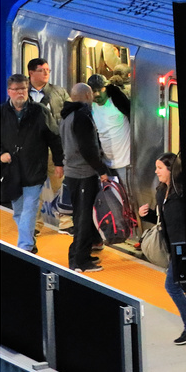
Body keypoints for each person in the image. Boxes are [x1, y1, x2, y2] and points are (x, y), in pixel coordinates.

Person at [1, 73, 62, 253]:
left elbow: (54, 138)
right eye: (16, 90)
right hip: (11, 172)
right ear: (9, 92)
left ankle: (25, 247)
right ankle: (30, 241)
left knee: (29, 209)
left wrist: (59, 162)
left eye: (23, 89)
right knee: (19, 212)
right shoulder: (1, 113)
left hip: (34, 169)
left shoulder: (40, 111)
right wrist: (0, 154)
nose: (20, 93)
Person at [137, 152, 186, 344]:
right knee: (185, 287)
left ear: (171, 170)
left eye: (160, 168)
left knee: (173, 286)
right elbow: (166, 221)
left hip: (184, 247)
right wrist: (148, 215)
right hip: (173, 248)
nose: (156, 172)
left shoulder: (183, 193)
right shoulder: (162, 191)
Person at [59, 83, 112, 272]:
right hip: (82, 174)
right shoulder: (82, 116)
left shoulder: (67, 116)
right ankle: (79, 261)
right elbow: (87, 148)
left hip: (74, 172)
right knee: (82, 218)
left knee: (84, 216)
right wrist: (102, 170)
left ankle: (83, 254)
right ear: (88, 95)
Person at [29, 59, 71, 226]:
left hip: (55, 149)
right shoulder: (22, 93)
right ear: (31, 73)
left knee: (60, 185)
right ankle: (34, 225)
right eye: (42, 70)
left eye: (48, 70)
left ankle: (66, 221)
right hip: (32, 150)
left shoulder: (59, 92)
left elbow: (70, 116)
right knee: (33, 190)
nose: (46, 73)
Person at [86, 73, 133, 174]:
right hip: (106, 165)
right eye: (94, 91)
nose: (97, 94)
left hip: (126, 163)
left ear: (106, 88)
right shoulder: (90, 109)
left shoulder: (117, 102)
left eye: (101, 89)